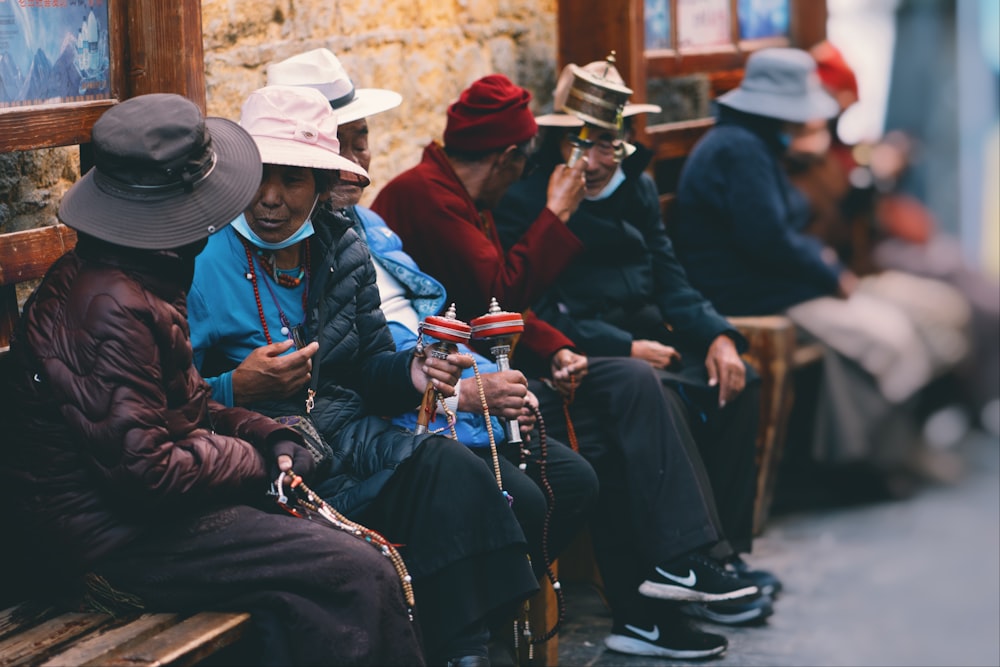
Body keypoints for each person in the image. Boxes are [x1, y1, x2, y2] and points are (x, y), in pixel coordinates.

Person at [0, 93, 425, 666]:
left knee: (326, 573)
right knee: (353, 574)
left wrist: (268, 435)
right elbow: (149, 472)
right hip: (106, 541)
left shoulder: (137, 274)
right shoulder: (110, 303)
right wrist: (255, 460)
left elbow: (186, 403)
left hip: (135, 516)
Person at [373, 73, 767, 660]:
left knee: (631, 392)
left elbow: (521, 304)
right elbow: (494, 298)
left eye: (616, 141)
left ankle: (682, 565)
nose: (603, 155)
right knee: (608, 430)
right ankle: (638, 609)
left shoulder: (471, 191)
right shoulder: (432, 196)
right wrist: (557, 213)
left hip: (517, 358)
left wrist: (557, 348)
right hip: (460, 379)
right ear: (513, 157)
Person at [187, 84, 538, 667]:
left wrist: (417, 372)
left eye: (293, 180)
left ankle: (459, 648)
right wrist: (236, 388)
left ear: (322, 187)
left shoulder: (341, 246)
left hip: (349, 437)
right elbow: (169, 397)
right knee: (446, 499)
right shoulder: (201, 258)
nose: (270, 199)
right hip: (266, 460)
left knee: (452, 468)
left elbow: (370, 368)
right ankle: (459, 651)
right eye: (260, 178)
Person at [265, 48, 600, 593]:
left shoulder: (365, 226)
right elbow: (339, 383)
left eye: (362, 141)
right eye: (339, 146)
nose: (358, 160)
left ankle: (490, 619)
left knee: (575, 472)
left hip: (426, 395)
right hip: (388, 423)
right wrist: (459, 394)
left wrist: (483, 376)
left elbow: (445, 320)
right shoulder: (287, 251)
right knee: (525, 493)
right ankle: (461, 629)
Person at [492, 56, 771, 619]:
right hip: (587, 348)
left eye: (606, 145)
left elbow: (670, 279)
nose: (593, 162)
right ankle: (688, 560)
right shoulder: (528, 198)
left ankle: (724, 554)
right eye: (582, 144)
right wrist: (621, 346)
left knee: (738, 380)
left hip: (651, 338)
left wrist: (718, 335)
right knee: (655, 393)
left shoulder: (635, 190)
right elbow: (535, 304)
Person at [671, 47, 958, 489]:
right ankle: (881, 458)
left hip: (779, 283)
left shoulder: (754, 146)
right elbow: (769, 242)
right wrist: (827, 272)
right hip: (753, 292)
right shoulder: (742, 151)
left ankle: (887, 451)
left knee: (897, 330)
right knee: (889, 338)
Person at [790, 41, 997, 441]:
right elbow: (823, 230)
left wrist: (875, 173)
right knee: (928, 315)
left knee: (960, 286)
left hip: (855, 259)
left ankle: (958, 407)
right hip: (849, 266)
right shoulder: (805, 159)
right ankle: (916, 430)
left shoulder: (833, 152)